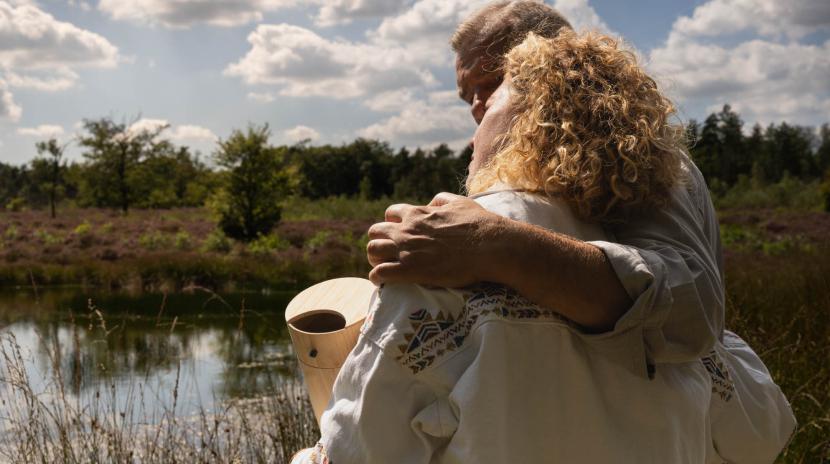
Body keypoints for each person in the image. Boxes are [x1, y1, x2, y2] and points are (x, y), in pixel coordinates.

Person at [291, 29, 713, 464]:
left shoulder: (439, 246)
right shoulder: (659, 305)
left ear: (535, 116)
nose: (473, 137)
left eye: (489, 101)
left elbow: (356, 454)